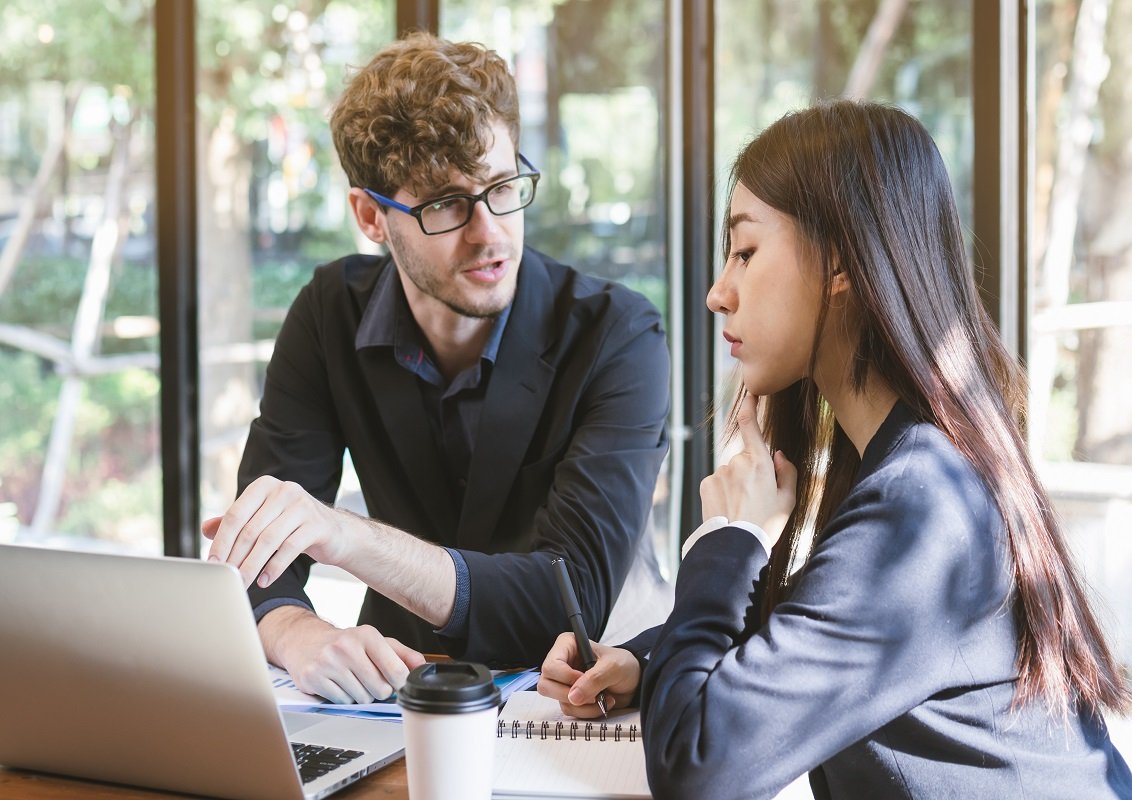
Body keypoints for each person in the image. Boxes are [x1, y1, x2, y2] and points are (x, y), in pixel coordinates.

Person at [538, 100, 1132, 799]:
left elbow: (699, 768)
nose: (716, 293)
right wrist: (649, 660)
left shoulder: (921, 504)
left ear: (841, 262)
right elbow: (804, 631)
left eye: (746, 252)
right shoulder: (906, 464)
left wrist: (727, 537)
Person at [202, 32, 670, 706]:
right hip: (399, 693)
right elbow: (256, 546)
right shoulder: (329, 313)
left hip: (581, 701)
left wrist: (343, 535)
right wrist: (293, 630)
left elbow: (568, 605)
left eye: (503, 186)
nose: (490, 232)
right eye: (447, 204)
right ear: (370, 216)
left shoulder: (617, 335)